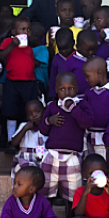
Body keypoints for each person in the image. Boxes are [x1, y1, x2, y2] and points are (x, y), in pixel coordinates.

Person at [39, 72, 93, 206]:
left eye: (71, 88)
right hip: (52, 154)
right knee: (46, 189)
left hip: (72, 156)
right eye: (62, 89)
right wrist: (49, 121)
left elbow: (86, 123)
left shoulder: (81, 105)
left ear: (77, 88)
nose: (67, 92)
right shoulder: (52, 106)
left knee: (73, 193)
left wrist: (73, 109)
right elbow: (42, 130)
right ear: (56, 90)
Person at [0, 17, 39, 148]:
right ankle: (11, 140)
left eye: (28, 30)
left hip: (29, 82)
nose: (26, 32)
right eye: (22, 29)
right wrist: (12, 45)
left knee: (28, 111)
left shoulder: (29, 48)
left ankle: (27, 141)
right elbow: (0, 57)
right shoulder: (7, 42)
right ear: (13, 31)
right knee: (11, 112)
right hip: (12, 82)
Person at [83, 58, 109, 160]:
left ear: (99, 73)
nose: (86, 80)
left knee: (103, 159)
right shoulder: (89, 92)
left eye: (88, 76)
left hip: (105, 134)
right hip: (89, 133)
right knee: (89, 159)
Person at [10, 100, 48, 181]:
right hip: (25, 158)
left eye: (37, 112)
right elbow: (13, 143)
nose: (34, 115)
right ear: (27, 117)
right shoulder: (24, 126)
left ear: (44, 112)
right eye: (30, 114)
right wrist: (25, 129)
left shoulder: (47, 128)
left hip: (42, 158)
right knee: (27, 171)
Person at [65, 30, 98, 96]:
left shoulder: (96, 60)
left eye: (93, 50)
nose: (91, 52)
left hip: (94, 96)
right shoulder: (70, 61)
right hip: (76, 97)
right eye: (87, 50)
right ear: (78, 46)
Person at [49, 28, 75, 98]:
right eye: (60, 49)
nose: (64, 51)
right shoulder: (57, 58)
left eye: (66, 48)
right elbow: (53, 78)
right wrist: (52, 95)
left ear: (73, 43)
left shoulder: (77, 57)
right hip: (61, 95)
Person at [30, 22, 50, 96]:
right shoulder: (28, 48)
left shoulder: (43, 49)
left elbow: (34, 64)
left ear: (36, 37)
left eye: (29, 33)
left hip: (39, 82)